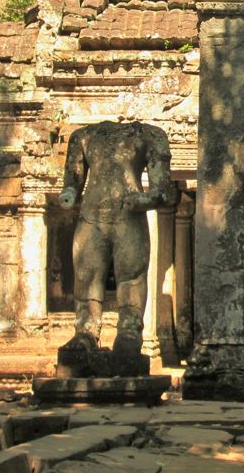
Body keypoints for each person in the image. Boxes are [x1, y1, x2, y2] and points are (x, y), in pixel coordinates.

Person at [58, 121, 176, 366]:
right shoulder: (82, 136)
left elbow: (162, 190)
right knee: (86, 275)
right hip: (92, 216)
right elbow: (72, 181)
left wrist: (145, 199)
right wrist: (69, 192)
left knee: (131, 276)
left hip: (128, 215)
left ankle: (129, 332)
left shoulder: (149, 135)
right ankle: (86, 331)